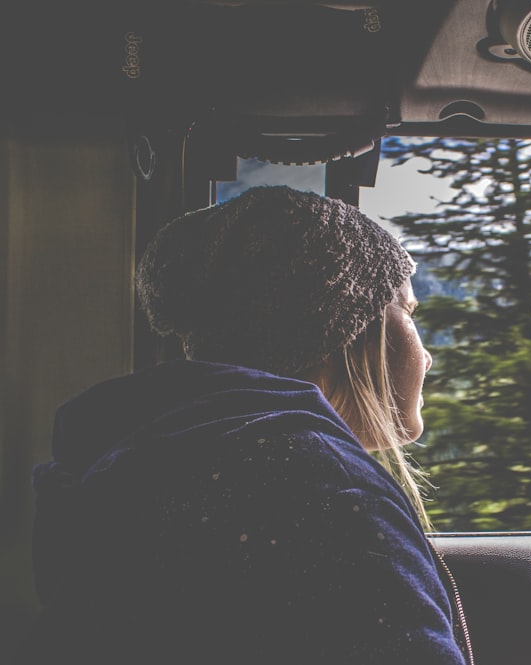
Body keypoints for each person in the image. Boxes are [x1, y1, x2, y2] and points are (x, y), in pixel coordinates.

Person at [20, 186, 474, 664]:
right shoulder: (327, 492)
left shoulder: (137, 464)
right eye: (407, 311)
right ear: (341, 326)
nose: (426, 356)